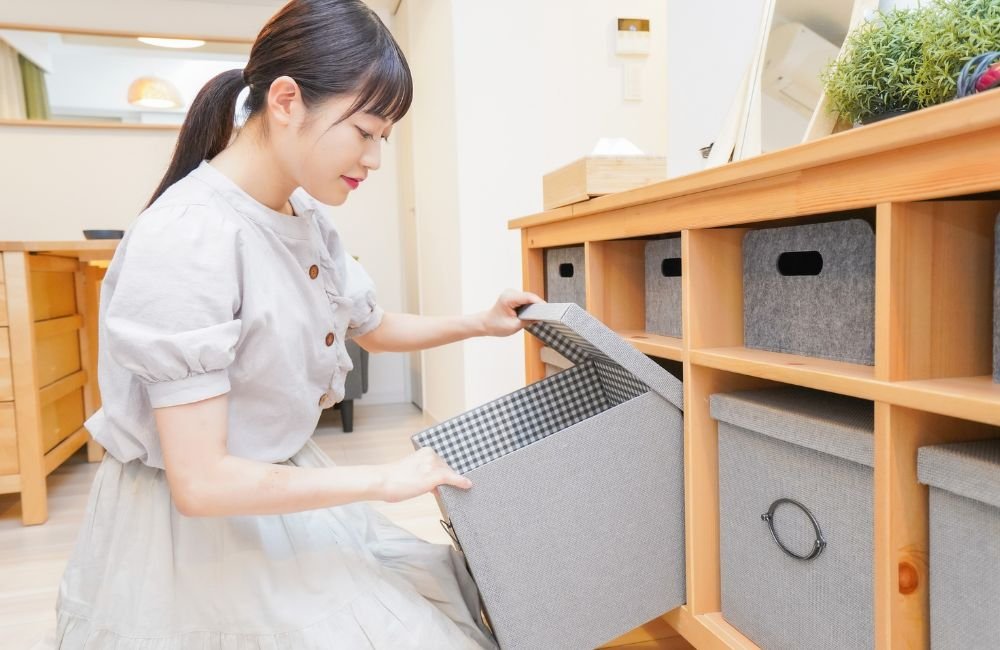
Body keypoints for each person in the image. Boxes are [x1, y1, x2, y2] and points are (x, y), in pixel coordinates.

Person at [53, 1, 540, 647]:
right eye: (365, 131)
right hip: (192, 529)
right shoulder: (190, 236)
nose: (374, 159)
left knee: (440, 596)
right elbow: (201, 483)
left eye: (384, 138)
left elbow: (373, 324)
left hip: (279, 484)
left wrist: (479, 323)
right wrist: (385, 480)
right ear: (286, 100)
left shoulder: (303, 216)